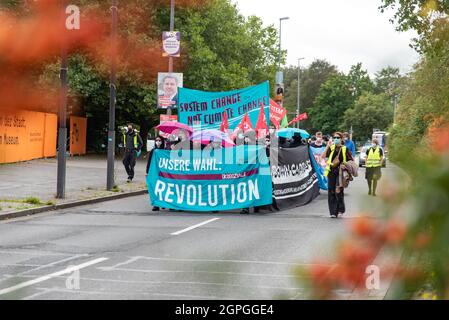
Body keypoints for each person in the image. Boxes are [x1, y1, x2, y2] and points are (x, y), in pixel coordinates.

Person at [324, 132, 353, 218]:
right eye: (334, 137)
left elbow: (351, 161)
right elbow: (323, 156)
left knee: (338, 191)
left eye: (337, 137)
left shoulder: (345, 149)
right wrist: (327, 146)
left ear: (341, 139)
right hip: (331, 172)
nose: (335, 139)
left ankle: (340, 209)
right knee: (331, 191)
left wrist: (345, 164)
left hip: (340, 173)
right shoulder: (331, 148)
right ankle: (333, 212)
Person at [146, 135, 165, 211]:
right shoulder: (153, 151)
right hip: (155, 172)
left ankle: (163, 203)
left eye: (160, 140)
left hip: (163, 173)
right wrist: (147, 171)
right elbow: (149, 162)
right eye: (156, 140)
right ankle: (156, 205)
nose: (158, 142)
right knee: (155, 188)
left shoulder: (164, 150)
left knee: (163, 188)